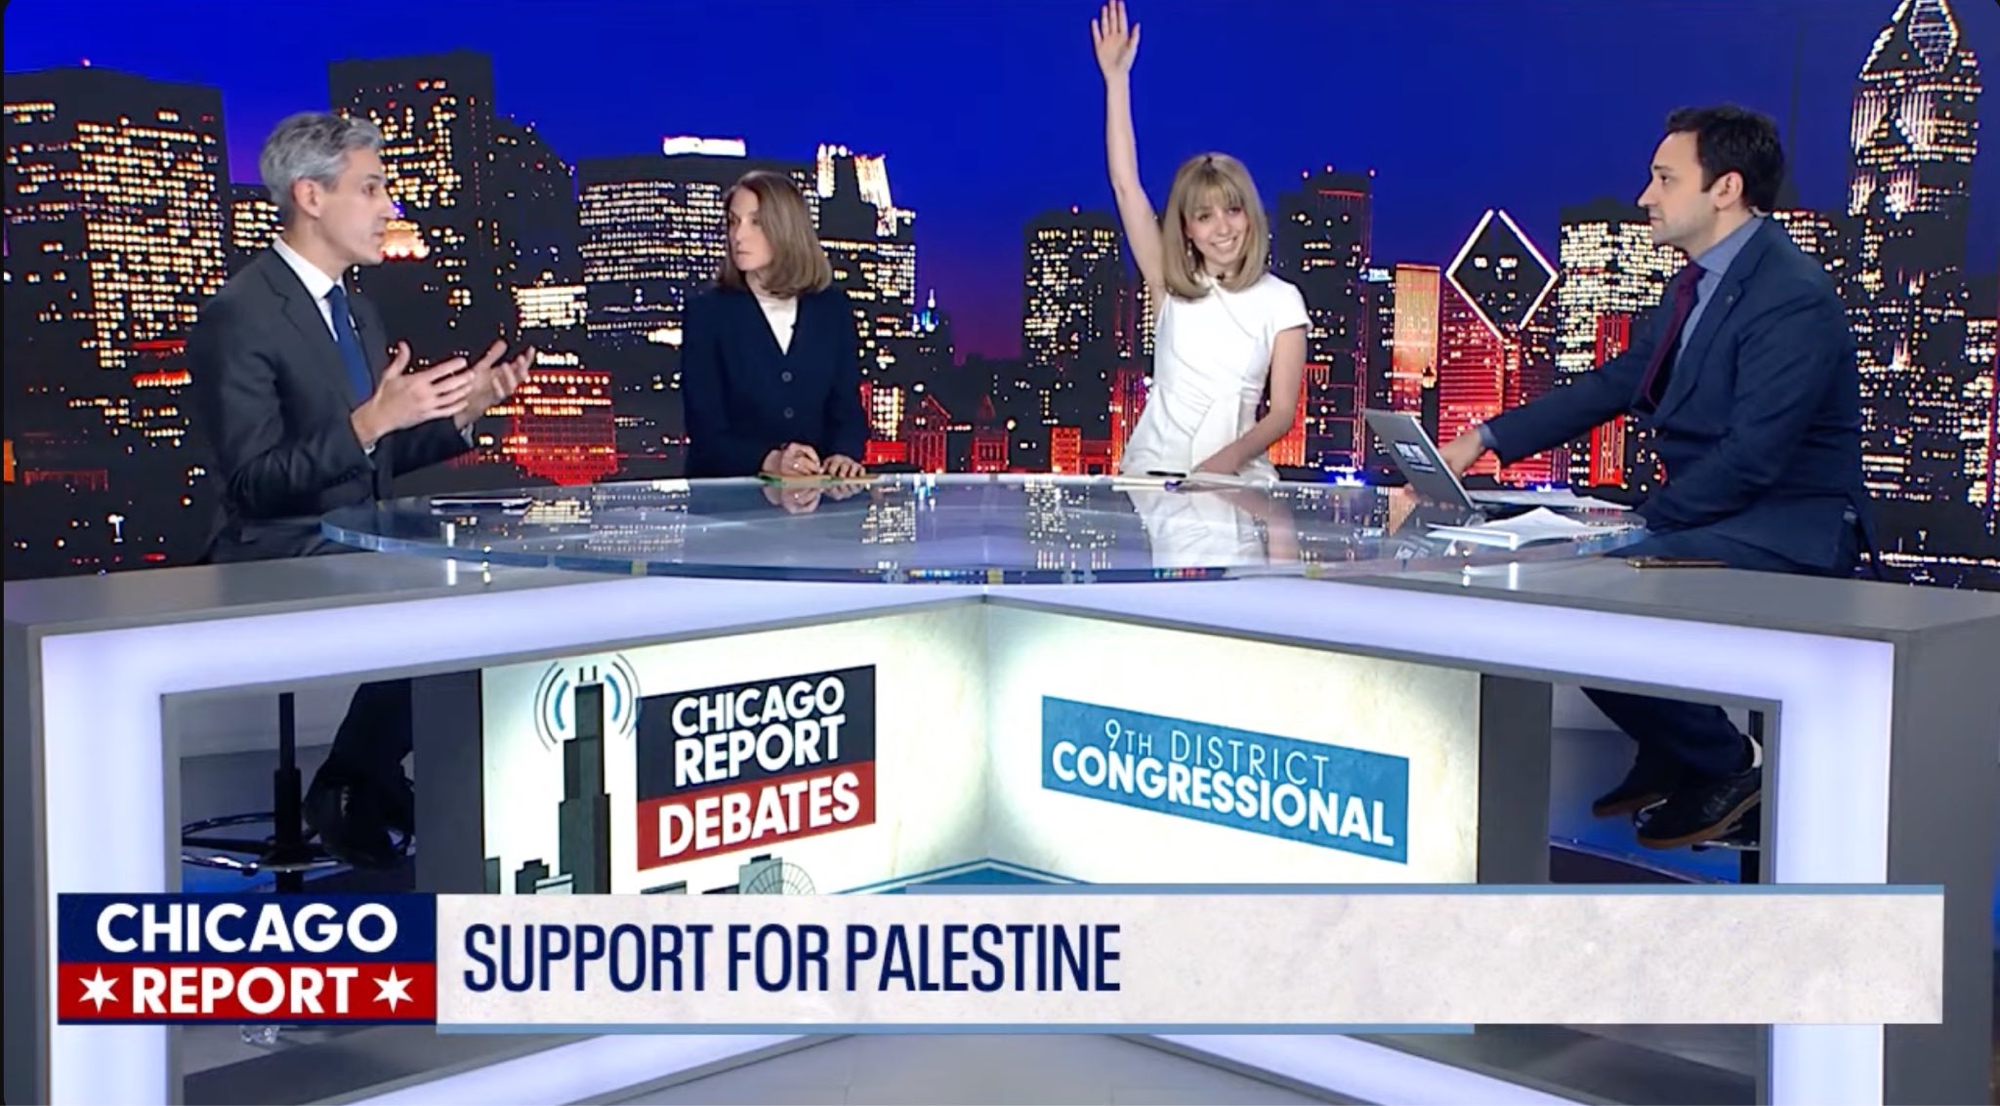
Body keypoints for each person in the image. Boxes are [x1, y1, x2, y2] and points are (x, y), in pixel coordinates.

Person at [1435, 105, 1868, 851]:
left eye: (1666, 179)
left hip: (1789, 523)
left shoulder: (1789, 293)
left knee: (1585, 582)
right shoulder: (1694, 286)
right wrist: (1484, 438)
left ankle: (1727, 763)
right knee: (1563, 564)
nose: (1646, 197)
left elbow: (1754, 457)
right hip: (1718, 509)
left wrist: (1640, 526)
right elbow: (1617, 383)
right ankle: (1676, 751)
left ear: (1725, 188)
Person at [186, 111, 533, 867]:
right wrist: (370, 420)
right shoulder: (240, 315)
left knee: (479, 578)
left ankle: (357, 780)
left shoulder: (355, 309)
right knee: (440, 590)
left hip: (355, 536)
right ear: (310, 197)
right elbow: (254, 484)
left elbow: (371, 457)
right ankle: (357, 783)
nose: (388, 208)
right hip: (271, 547)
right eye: (371, 188)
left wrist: (463, 412)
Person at [1092, 0, 1307, 482]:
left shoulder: (1282, 301)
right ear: (1186, 228)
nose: (1223, 228)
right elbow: (1126, 185)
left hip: (1235, 480)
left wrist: (1215, 472)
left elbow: (1281, 415)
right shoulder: (1169, 283)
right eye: (1204, 216)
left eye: (1233, 210)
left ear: (1251, 216)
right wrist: (1116, 81)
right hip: (1155, 476)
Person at [680, 170, 868, 480]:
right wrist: (770, 460)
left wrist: (843, 455)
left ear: (786, 228)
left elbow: (847, 410)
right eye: (733, 222)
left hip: (818, 499)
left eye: (755, 222)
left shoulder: (832, 309)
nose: (738, 235)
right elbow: (706, 432)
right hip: (729, 500)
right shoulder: (708, 313)